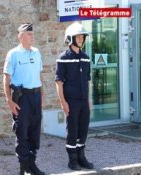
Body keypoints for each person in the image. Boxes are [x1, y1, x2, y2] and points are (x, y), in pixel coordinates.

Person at [3, 23, 45, 175]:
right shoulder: (13, 54)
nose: (32, 36)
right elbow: (6, 79)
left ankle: (31, 164)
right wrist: (9, 100)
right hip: (22, 97)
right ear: (20, 36)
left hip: (35, 96)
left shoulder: (37, 52)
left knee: (34, 132)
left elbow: (40, 75)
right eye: (29, 34)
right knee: (22, 132)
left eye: (33, 34)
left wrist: (42, 93)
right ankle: (24, 166)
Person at [55, 22, 94, 170]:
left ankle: (81, 157)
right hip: (71, 101)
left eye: (82, 37)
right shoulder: (63, 58)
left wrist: (88, 100)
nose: (80, 39)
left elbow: (88, 80)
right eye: (77, 37)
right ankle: (72, 160)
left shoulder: (85, 57)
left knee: (83, 129)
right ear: (70, 38)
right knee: (72, 130)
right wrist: (63, 102)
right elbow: (59, 82)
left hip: (84, 101)